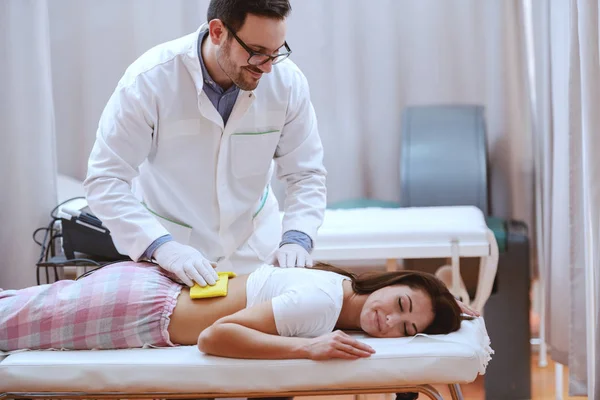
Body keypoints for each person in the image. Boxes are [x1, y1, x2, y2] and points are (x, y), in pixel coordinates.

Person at [83, 0, 326, 288]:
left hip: (257, 252)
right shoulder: (149, 81)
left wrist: (297, 239)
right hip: (174, 259)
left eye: (276, 53)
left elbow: (306, 174)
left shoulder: (288, 83)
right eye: (257, 52)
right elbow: (105, 180)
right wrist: (163, 247)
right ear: (217, 31)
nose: (268, 68)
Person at [0, 261, 464, 359]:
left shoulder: (339, 286)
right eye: (400, 304)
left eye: (407, 329)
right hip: (138, 310)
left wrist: (456, 313)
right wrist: (306, 350)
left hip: (145, 290)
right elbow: (214, 337)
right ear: (390, 283)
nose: (391, 322)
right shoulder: (321, 305)